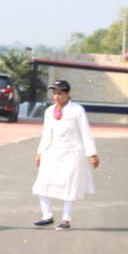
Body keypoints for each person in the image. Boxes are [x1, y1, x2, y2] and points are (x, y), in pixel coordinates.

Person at [32, 80, 100, 230]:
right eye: (54, 93)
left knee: (70, 187)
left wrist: (92, 154)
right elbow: (46, 134)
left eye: (60, 93)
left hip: (72, 154)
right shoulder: (49, 111)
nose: (57, 96)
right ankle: (47, 216)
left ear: (68, 94)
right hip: (51, 152)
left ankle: (66, 220)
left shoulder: (77, 110)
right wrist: (40, 152)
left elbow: (85, 132)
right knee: (43, 183)